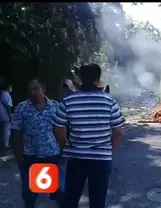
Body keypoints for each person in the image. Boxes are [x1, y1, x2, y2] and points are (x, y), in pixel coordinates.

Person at [53, 63, 125, 208]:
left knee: (71, 199)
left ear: (80, 78)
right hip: (101, 159)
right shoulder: (109, 101)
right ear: (98, 79)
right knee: (97, 200)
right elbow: (119, 131)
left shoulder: (68, 101)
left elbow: (57, 128)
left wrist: (66, 146)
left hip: (76, 158)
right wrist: (108, 149)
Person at [10, 78, 64, 207]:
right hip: (30, 157)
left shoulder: (55, 106)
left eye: (35, 88)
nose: (32, 92)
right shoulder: (22, 108)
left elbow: (62, 130)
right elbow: (16, 132)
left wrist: (64, 149)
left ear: (43, 89)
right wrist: (18, 156)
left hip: (52, 155)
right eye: (30, 90)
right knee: (29, 194)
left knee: (59, 192)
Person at [0, 81, 13, 150]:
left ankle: (3, 144)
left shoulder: (0, 94)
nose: (11, 88)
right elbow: (8, 107)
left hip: (0, 115)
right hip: (5, 115)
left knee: (3, 130)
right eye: (10, 87)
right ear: (8, 87)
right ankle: (5, 145)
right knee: (7, 131)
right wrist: (10, 116)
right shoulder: (6, 94)